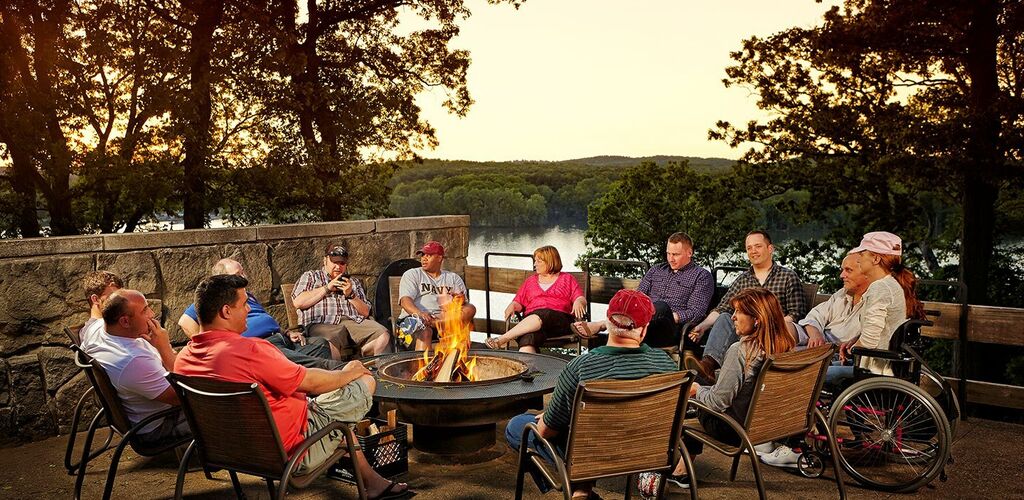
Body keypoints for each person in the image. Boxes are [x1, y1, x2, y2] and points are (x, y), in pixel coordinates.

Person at [174, 274, 410, 500]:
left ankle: (374, 484)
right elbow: (311, 382)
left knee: (332, 420)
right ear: (226, 311)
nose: (248, 310)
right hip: (292, 452)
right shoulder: (251, 350)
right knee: (363, 382)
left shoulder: (183, 360)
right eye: (244, 304)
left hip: (231, 452)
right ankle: (371, 479)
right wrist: (349, 372)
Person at [504, 290, 677, 499]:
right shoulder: (666, 363)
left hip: (590, 456)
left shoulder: (581, 367)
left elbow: (546, 431)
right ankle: (580, 490)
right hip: (647, 454)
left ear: (608, 322)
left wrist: (548, 417)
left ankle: (579, 490)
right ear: (643, 330)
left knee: (517, 427)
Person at [668, 287, 796, 487]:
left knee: (691, 391)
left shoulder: (741, 351)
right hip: (768, 427)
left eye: (738, 312)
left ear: (757, 319)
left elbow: (718, 403)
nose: (733, 317)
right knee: (707, 383)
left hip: (732, 429)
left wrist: (695, 390)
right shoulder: (785, 347)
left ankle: (679, 470)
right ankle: (712, 376)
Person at [686, 230, 807, 383]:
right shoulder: (743, 280)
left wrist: (767, 325)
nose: (753, 251)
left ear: (770, 249)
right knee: (725, 317)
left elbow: (797, 313)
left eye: (758, 246)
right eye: (749, 248)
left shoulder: (787, 277)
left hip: (774, 333)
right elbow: (722, 308)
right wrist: (702, 326)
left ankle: (708, 380)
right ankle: (708, 365)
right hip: (745, 331)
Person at [178, 258, 343, 370]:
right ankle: (341, 376)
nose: (244, 277)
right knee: (319, 365)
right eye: (238, 274)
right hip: (261, 346)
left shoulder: (247, 296)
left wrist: (286, 332)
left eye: (243, 272)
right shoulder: (215, 300)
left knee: (322, 345)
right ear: (221, 278)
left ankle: (326, 389)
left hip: (280, 339)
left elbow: (265, 320)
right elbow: (185, 321)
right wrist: (213, 345)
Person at [570, 232, 714, 348]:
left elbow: (696, 313)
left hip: (672, 329)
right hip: (641, 326)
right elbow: (636, 297)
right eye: (668, 253)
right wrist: (640, 315)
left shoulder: (701, 276)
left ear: (689, 253)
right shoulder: (656, 270)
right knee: (625, 297)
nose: (671, 259)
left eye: (676, 254)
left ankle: (604, 324)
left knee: (662, 307)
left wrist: (665, 314)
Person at [84, 289, 190, 446]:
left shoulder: (96, 329)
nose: (152, 314)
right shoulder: (132, 361)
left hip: (137, 414)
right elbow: (184, 396)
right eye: (145, 310)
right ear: (125, 322)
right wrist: (164, 347)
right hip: (159, 426)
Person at [832, 231, 924, 381]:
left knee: (812, 375)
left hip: (875, 370)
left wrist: (852, 349)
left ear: (875, 258)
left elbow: (869, 341)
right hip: (882, 366)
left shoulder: (880, 289)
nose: (859, 259)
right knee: (824, 368)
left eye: (862, 254)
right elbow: (884, 329)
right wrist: (855, 340)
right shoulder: (892, 285)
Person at [292, 244, 391, 358]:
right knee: (328, 344)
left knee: (383, 336)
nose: (338, 267)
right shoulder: (311, 276)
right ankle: (339, 373)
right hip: (323, 323)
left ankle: (374, 370)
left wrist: (351, 294)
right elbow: (298, 302)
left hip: (353, 322)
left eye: (342, 263)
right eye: (334, 262)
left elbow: (365, 312)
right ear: (325, 261)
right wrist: (327, 288)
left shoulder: (353, 282)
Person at [484, 246, 586, 352]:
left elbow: (580, 297)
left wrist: (579, 301)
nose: (534, 264)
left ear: (550, 261)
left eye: (538, 261)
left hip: (559, 323)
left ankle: (501, 339)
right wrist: (513, 305)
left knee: (545, 313)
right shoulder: (530, 281)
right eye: (535, 261)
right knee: (527, 338)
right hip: (533, 324)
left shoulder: (567, 279)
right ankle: (533, 368)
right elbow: (519, 301)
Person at [398, 241, 476, 351]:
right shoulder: (413, 274)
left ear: (439, 258)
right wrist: (420, 314)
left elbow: (462, 307)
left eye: (428, 255)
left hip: (443, 320)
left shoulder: (453, 278)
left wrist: (459, 301)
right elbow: (405, 301)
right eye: (423, 255)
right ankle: (422, 367)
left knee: (470, 308)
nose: (424, 258)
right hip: (416, 322)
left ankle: (435, 324)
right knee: (425, 331)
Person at [79, 270, 124, 349]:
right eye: (112, 297)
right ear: (95, 299)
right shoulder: (91, 332)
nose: (118, 302)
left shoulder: (114, 325)